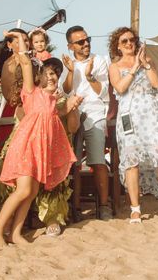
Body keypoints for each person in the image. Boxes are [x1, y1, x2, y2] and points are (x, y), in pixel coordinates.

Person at [0, 33, 76, 246]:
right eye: (47, 73)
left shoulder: (52, 100)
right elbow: (27, 63)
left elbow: (58, 118)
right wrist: (18, 37)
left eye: (55, 73)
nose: (52, 76)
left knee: (31, 192)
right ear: (38, 77)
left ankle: (16, 233)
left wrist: (71, 104)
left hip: (41, 151)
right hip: (26, 148)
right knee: (23, 190)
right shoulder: (31, 92)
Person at [108, 27, 158, 225]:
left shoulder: (148, 62)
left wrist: (145, 65)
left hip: (150, 115)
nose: (130, 44)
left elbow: (156, 84)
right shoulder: (114, 66)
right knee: (132, 162)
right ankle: (135, 209)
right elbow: (120, 87)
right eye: (124, 41)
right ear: (118, 46)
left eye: (132, 40)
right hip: (129, 115)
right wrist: (133, 68)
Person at [61, 25, 114, 220]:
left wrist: (89, 75)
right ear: (70, 46)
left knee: (98, 161)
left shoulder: (99, 60)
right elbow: (65, 92)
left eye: (87, 39)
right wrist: (70, 72)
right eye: (80, 42)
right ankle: (74, 207)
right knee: (73, 164)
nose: (86, 44)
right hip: (75, 114)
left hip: (95, 113)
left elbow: (103, 91)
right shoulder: (69, 64)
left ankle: (104, 205)